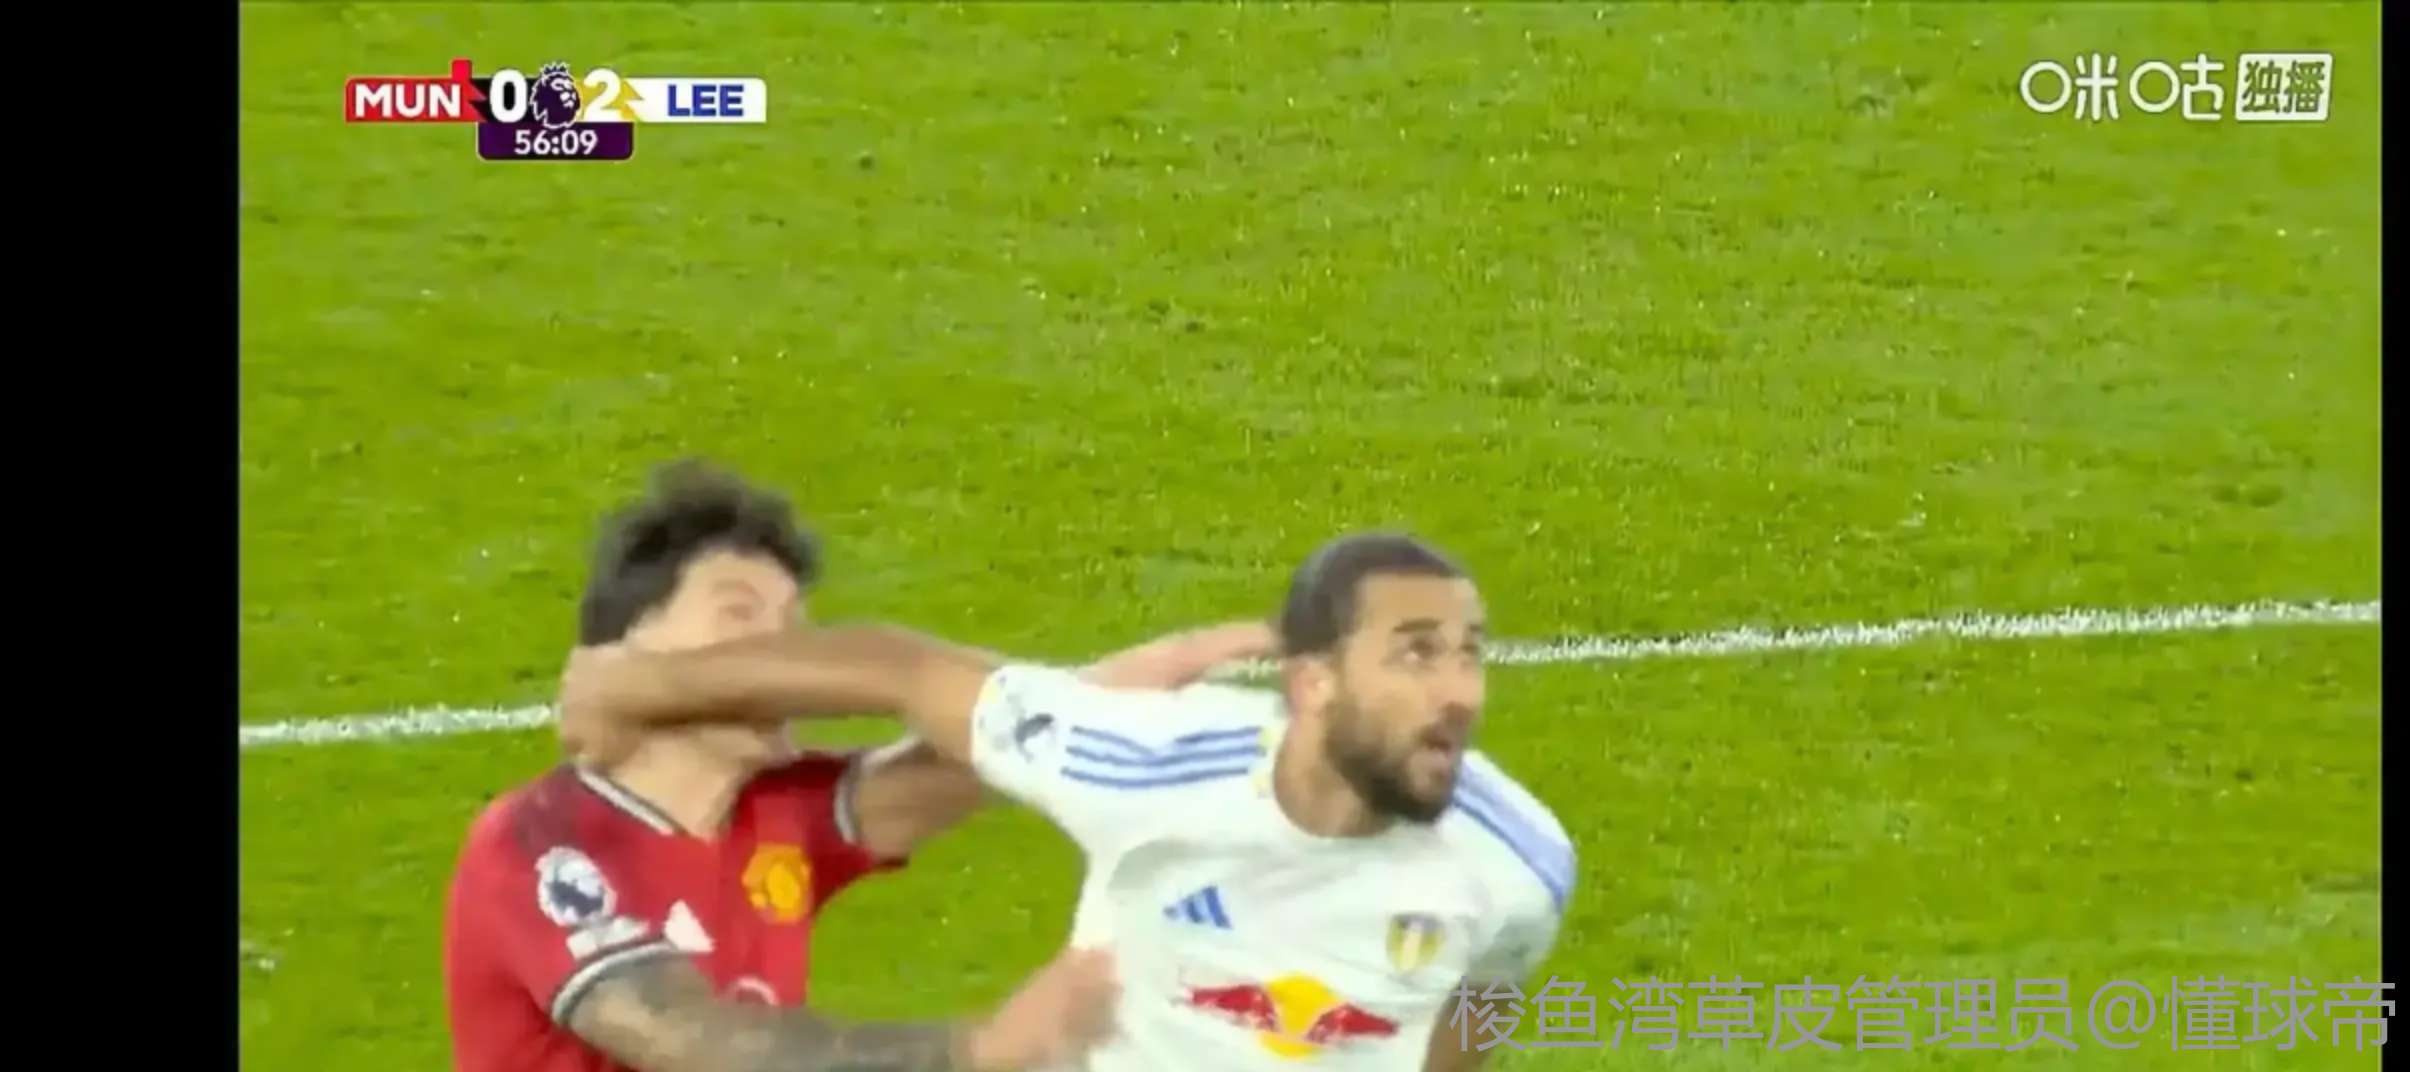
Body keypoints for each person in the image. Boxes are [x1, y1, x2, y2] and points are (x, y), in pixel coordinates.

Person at [562, 531, 1576, 1070]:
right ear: (1313, 682)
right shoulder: (1146, 766)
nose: (1460, 692)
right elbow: (900, 670)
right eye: (1415, 655)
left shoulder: (1519, 861)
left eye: (1469, 655)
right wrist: (634, 689)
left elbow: (1481, 997)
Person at [443, 460, 1277, 1072]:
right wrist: (976, 1048)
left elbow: (968, 757)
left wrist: (1118, 689)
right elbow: (694, 1041)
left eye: (792, 628)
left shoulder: (776, 816)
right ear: (627, 651)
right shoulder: (543, 844)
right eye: (739, 613)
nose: (784, 653)